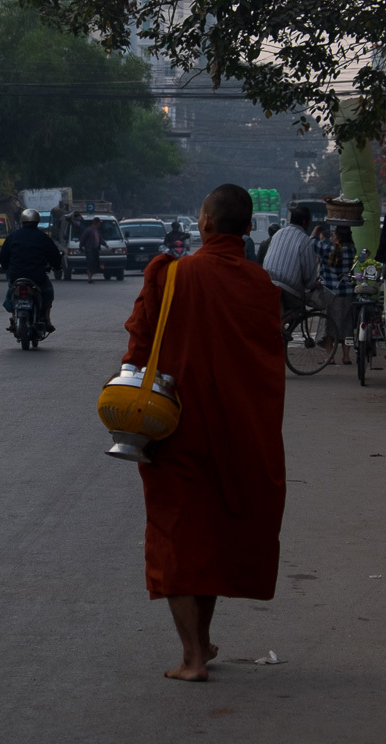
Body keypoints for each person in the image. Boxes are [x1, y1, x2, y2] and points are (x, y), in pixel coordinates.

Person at [122, 183, 286, 682]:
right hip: (241, 429)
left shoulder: (171, 275)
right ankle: (204, 643)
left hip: (178, 428)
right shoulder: (261, 286)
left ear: (208, 222)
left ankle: (192, 656)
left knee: (178, 535)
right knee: (212, 536)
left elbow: (138, 347)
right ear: (247, 227)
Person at [0, 208, 63, 331]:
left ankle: (13, 317)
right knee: (48, 291)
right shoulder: (43, 237)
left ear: (22, 221)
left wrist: (5, 266)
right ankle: (47, 319)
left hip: (16, 275)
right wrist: (56, 266)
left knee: (11, 291)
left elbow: (3, 256)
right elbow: (54, 255)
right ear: (37, 221)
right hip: (37, 276)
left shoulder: (12, 237)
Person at [261, 206, 327, 316]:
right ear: (305, 222)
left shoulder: (278, 234)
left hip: (268, 283)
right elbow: (309, 277)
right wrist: (313, 284)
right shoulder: (305, 241)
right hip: (289, 290)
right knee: (299, 310)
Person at [312, 223, 357, 364]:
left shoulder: (327, 248)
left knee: (328, 326)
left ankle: (330, 357)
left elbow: (311, 242)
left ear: (336, 236)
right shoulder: (351, 250)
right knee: (347, 325)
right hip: (347, 293)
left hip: (329, 293)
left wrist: (315, 230)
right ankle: (346, 357)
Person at [81, 217, 104, 283]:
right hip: (89, 249)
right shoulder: (88, 230)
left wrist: (105, 244)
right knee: (90, 263)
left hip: (95, 250)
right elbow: (83, 238)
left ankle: (91, 277)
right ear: (97, 223)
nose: (100, 224)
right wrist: (81, 246)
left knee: (95, 263)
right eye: (99, 222)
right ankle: (89, 278)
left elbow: (100, 239)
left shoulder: (97, 230)